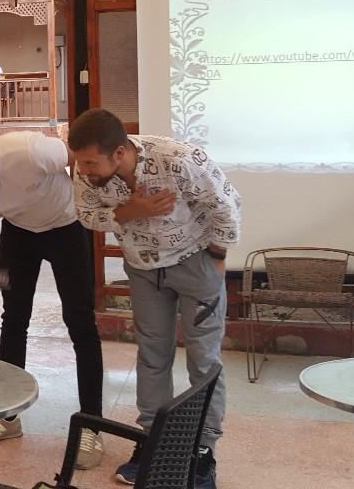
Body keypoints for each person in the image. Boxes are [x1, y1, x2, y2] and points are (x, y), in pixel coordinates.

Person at [68, 108, 241, 489]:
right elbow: (86, 215)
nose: (84, 170)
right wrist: (130, 211)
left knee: (203, 358)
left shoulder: (178, 159)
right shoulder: (86, 169)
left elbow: (227, 205)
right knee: (152, 355)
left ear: (119, 152)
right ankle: (151, 440)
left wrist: (216, 257)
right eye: (80, 162)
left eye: (91, 163)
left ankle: (202, 451)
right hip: (144, 270)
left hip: (196, 262)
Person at [0, 131, 105, 467]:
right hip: (20, 233)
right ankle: (8, 418)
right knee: (12, 321)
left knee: (81, 323)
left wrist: (90, 209)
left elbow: (79, 160)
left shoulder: (31, 152)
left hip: (66, 226)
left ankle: (92, 426)